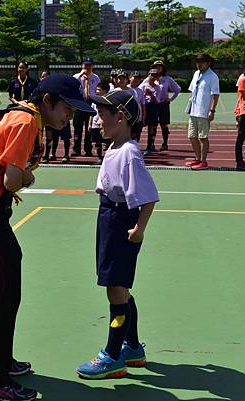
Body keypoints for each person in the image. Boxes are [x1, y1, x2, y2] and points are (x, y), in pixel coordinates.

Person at [0, 73, 94, 401]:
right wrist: (25, 178)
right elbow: (12, 179)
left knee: (0, 290)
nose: (69, 117)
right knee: (0, 293)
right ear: (48, 101)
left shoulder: (22, 115)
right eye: (66, 110)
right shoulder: (25, 122)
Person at [75, 89, 159, 380]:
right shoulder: (114, 147)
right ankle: (133, 347)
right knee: (119, 285)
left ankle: (112, 355)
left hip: (122, 220)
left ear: (120, 117)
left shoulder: (129, 153)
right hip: (109, 216)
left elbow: (148, 197)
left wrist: (139, 229)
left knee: (115, 288)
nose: (98, 121)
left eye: (103, 115)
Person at [186, 53, 220, 171]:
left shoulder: (213, 76)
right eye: (197, 62)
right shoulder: (196, 73)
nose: (198, 64)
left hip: (203, 112)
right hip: (194, 111)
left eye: (201, 62)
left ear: (208, 63)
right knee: (192, 136)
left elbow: (215, 95)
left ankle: (204, 161)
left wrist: (212, 110)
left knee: (203, 137)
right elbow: (192, 90)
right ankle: (197, 158)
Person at [143, 60, 181, 152]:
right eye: (156, 66)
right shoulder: (149, 78)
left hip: (163, 104)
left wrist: (170, 99)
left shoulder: (167, 79)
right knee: (152, 125)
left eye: (160, 66)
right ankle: (151, 144)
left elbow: (177, 89)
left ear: (163, 68)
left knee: (164, 124)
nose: (158, 68)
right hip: (152, 105)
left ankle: (165, 143)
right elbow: (141, 89)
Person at [72, 59, 100, 157]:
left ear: (92, 67)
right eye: (85, 65)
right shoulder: (76, 77)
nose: (87, 68)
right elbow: (73, 86)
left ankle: (88, 149)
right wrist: (80, 75)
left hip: (91, 102)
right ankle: (76, 150)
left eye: (89, 66)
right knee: (77, 128)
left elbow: (98, 90)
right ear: (82, 66)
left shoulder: (96, 78)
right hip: (80, 102)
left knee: (89, 129)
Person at [89, 81, 111, 163]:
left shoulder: (109, 101)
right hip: (95, 124)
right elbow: (92, 113)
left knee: (107, 142)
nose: (97, 91)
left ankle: (108, 157)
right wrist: (89, 124)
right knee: (97, 142)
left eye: (99, 90)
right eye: (97, 89)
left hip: (105, 125)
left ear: (105, 91)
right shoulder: (95, 101)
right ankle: (99, 157)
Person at [129, 72, 146, 144]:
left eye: (138, 78)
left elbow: (143, 104)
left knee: (137, 132)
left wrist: (144, 115)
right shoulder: (125, 89)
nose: (136, 80)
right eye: (134, 77)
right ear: (130, 78)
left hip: (138, 115)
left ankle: (135, 147)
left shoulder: (140, 91)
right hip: (128, 115)